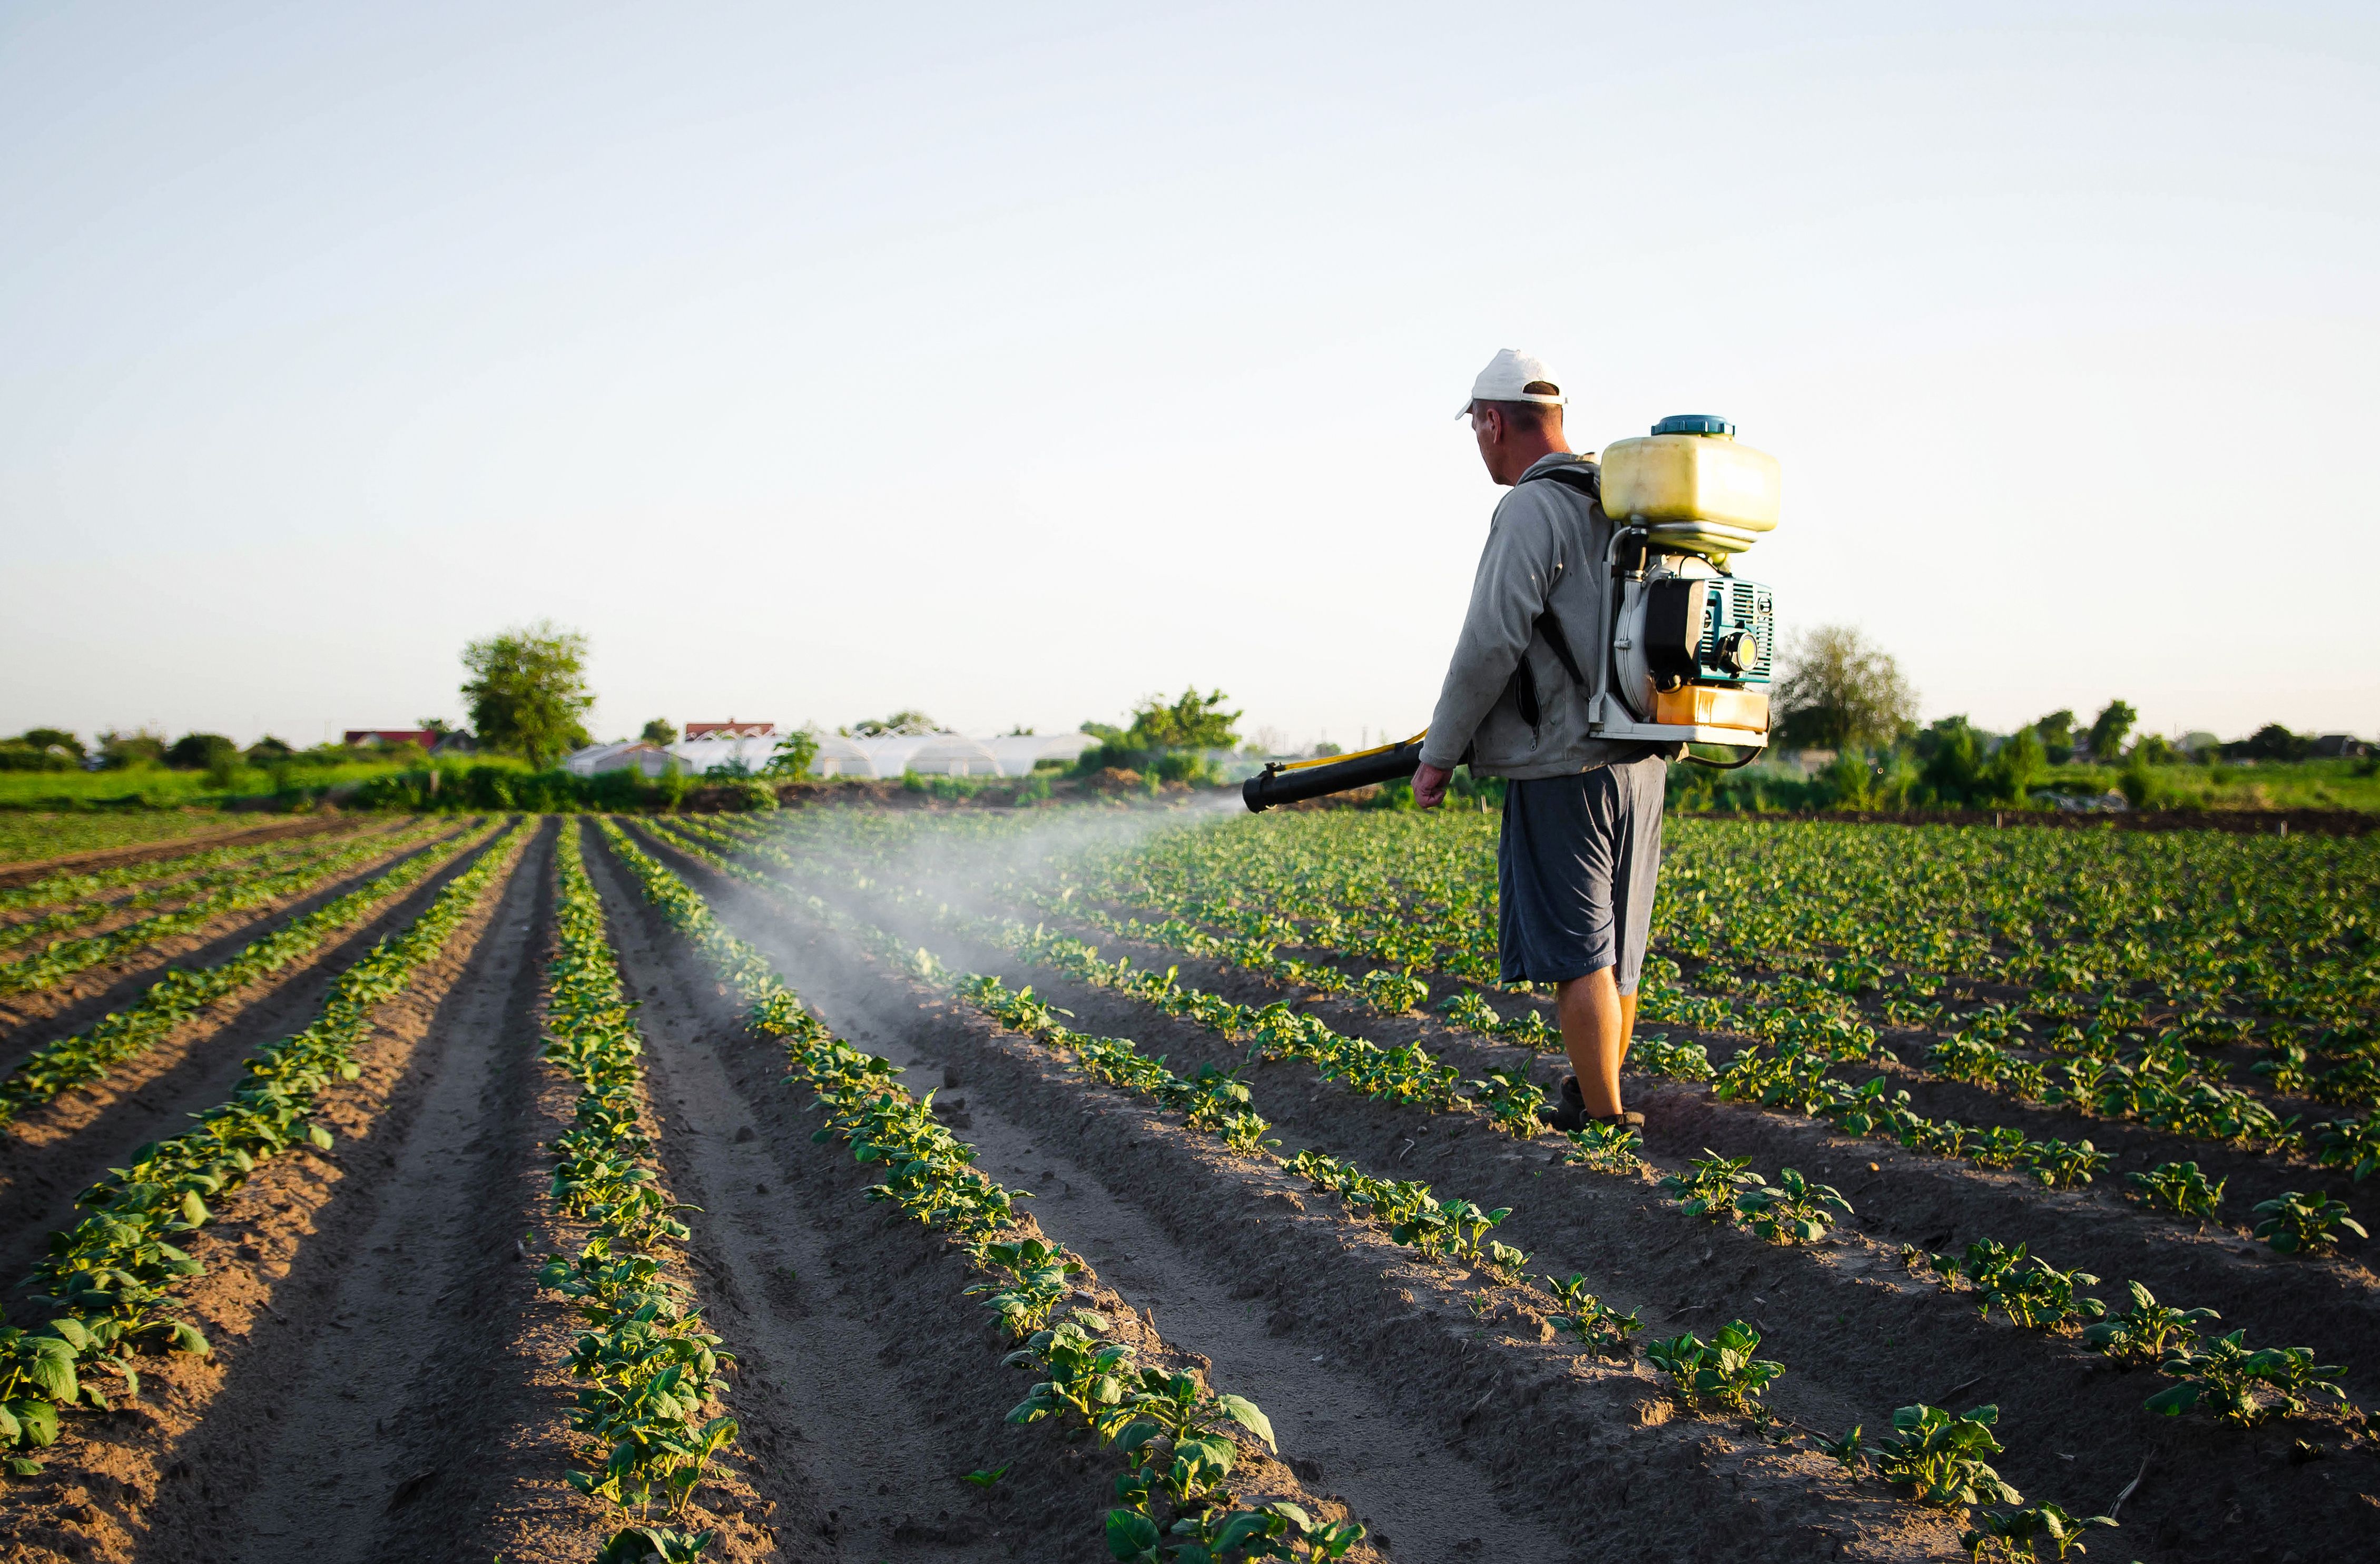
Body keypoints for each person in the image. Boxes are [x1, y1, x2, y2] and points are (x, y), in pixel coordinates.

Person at [1410, 349, 1671, 1132]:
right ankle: (1601, 1094)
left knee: (1576, 945)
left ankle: (1603, 1117)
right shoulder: (1622, 499)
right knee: (1618, 944)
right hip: (1641, 755)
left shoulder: (1530, 508)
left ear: (1492, 420)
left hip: (1565, 760)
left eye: (1476, 430)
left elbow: (1491, 638)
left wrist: (1439, 751)